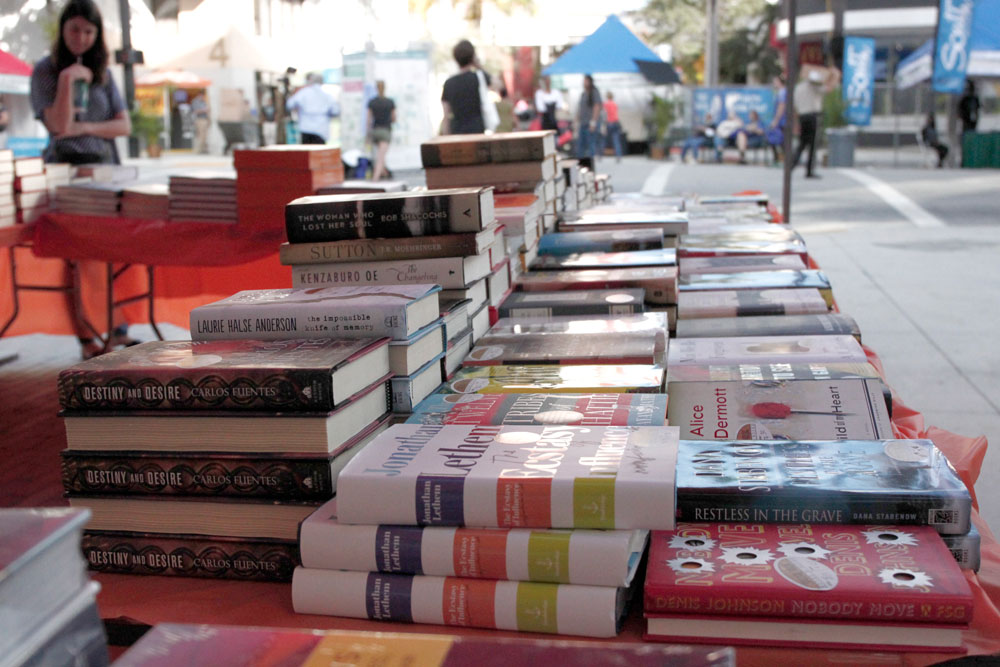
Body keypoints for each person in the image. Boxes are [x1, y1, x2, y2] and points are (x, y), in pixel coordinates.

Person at [29, 0, 135, 358]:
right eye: (75, 29)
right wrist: (66, 81)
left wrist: (86, 127)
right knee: (77, 256)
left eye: (88, 31)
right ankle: (87, 335)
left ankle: (118, 327)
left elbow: (124, 124)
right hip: (66, 171)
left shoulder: (103, 70)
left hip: (105, 168)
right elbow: (58, 126)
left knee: (111, 251)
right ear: (63, 29)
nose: (81, 37)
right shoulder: (46, 70)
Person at [441, 39, 489, 135]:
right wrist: (479, 66)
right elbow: (499, 86)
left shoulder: (449, 83)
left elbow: (446, 116)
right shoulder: (479, 78)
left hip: (457, 133)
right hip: (477, 131)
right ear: (472, 57)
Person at [791, 67, 829, 179]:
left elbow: (794, 105)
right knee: (812, 145)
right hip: (812, 116)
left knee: (802, 143)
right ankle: (809, 170)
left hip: (802, 116)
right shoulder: (814, 86)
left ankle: (792, 165)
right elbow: (827, 89)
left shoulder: (798, 88)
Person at [285, 72, 338, 144]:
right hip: (321, 130)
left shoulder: (303, 93)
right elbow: (335, 111)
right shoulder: (327, 96)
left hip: (305, 129)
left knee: (306, 152)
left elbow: (289, 104)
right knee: (319, 153)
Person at [366, 80, 395, 181]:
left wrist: (368, 134)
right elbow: (394, 118)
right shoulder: (390, 102)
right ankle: (375, 177)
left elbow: (369, 120)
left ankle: (384, 173)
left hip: (375, 131)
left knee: (381, 153)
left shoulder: (372, 102)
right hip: (385, 131)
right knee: (381, 156)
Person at [576, 74, 602, 169]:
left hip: (590, 123)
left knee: (591, 145)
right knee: (580, 146)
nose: (584, 83)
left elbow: (597, 106)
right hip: (583, 123)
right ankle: (581, 164)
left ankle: (590, 165)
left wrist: (593, 122)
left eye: (586, 81)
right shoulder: (583, 93)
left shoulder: (594, 92)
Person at [767, 74, 787, 162]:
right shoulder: (780, 92)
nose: (774, 83)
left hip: (781, 121)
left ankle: (780, 159)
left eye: (775, 81)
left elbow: (781, 107)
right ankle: (783, 158)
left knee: (778, 140)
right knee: (781, 141)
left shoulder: (782, 93)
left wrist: (776, 120)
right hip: (782, 120)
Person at [603, 91, 623, 162]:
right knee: (616, 140)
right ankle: (618, 155)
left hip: (609, 122)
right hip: (616, 122)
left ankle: (600, 154)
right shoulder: (615, 104)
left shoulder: (606, 104)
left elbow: (605, 114)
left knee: (605, 140)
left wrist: (604, 125)